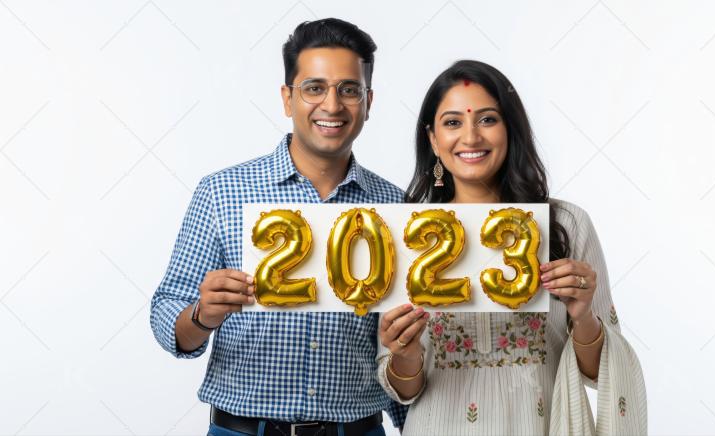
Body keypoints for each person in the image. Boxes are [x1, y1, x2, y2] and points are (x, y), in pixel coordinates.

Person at [150, 18, 407, 436]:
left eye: (349, 90)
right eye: (314, 88)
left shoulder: (397, 206)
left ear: (368, 100)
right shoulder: (222, 192)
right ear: (288, 99)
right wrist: (202, 315)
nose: (332, 105)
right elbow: (166, 316)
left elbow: (401, 350)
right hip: (243, 429)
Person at [377, 60, 647, 435]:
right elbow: (404, 391)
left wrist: (583, 316)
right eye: (453, 123)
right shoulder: (405, 237)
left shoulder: (564, 225)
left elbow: (599, 375)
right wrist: (404, 354)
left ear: (510, 129)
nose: (470, 137)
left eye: (487, 119)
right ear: (433, 140)